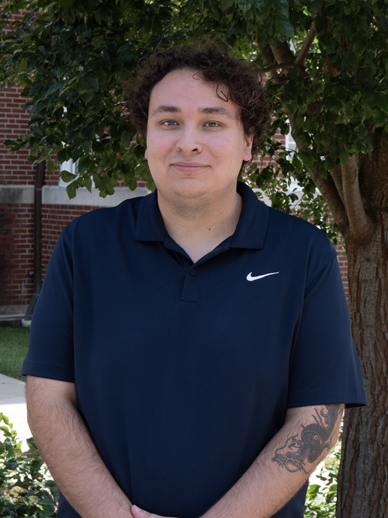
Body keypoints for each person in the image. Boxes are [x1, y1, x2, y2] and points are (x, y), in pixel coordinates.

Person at [22, 45, 366, 518]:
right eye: (168, 121)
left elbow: (318, 420)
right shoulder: (85, 246)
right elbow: (48, 396)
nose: (188, 142)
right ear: (145, 139)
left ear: (247, 142)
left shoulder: (305, 255)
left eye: (212, 122)